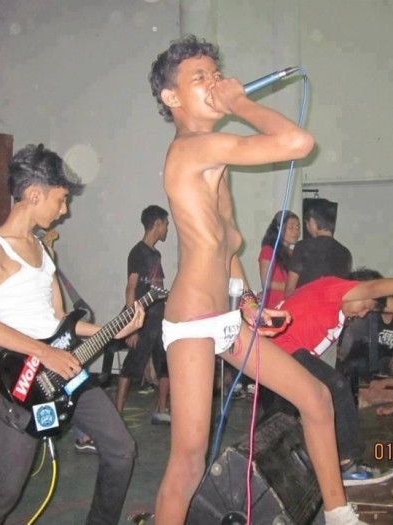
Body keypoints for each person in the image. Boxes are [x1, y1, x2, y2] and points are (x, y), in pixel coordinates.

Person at [149, 34, 362, 524]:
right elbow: (297, 143)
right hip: (193, 321)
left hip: (226, 317)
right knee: (188, 463)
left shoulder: (215, 162)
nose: (214, 83)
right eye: (199, 78)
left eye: (215, 74)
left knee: (315, 397)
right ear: (172, 96)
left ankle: (339, 514)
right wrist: (239, 102)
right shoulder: (191, 149)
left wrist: (245, 298)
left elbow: (227, 246)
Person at [0, 143, 145, 524]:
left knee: (122, 449)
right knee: (4, 491)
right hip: (23, 379)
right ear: (34, 194)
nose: (64, 210)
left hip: (64, 370)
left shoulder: (43, 250)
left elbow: (60, 320)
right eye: (61, 200)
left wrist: (114, 329)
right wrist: (43, 353)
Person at [259, 273, 393, 486]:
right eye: (364, 307)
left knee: (281, 413)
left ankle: (255, 460)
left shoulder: (339, 302)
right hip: (279, 350)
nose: (363, 314)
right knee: (336, 386)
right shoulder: (333, 289)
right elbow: (373, 289)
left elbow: (381, 302)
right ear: (356, 289)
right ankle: (349, 465)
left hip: (274, 353)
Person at [115, 204, 171, 425]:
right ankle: (117, 412)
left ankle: (161, 409)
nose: (167, 229)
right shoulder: (138, 252)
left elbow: (157, 288)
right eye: (165, 224)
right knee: (132, 366)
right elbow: (131, 288)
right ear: (157, 224)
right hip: (143, 320)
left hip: (159, 320)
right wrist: (132, 326)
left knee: (165, 365)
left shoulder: (155, 254)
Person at [284, 201, 352, 297]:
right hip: (332, 305)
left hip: (306, 303)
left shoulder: (302, 247)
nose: (307, 227)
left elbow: (290, 289)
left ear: (312, 223)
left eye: (307, 223)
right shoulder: (345, 253)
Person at [258, 209, 300, 309]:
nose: (296, 231)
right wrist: (292, 286)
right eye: (291, 227)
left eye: (297, 227)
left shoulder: (295, 253)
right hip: (273, 307)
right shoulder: (268, 251)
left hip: (291, 306)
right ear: (279, 228)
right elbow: (266, 283)